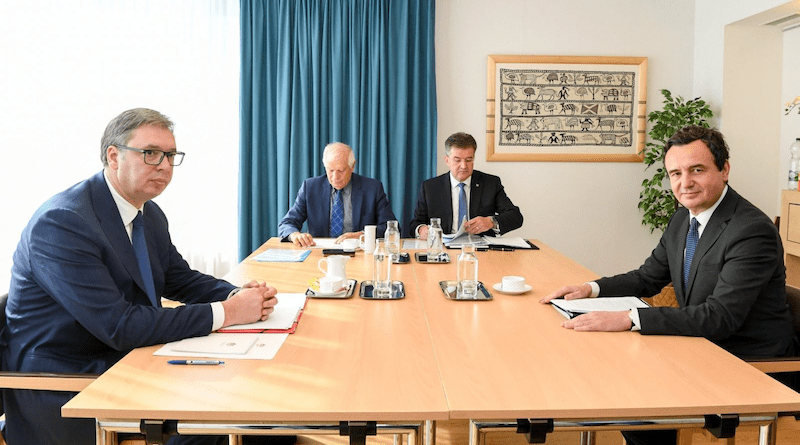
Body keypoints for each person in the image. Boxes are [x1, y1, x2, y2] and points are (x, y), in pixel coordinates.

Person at [2, 109, 279, 445]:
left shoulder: (146, 210)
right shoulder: (62, 223)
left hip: (129, 360)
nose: (163, 165)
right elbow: (119, 326)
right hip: (68, 381)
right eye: (151, 153)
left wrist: (235, 293)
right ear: (113, 155)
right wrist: (229, 313)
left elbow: (179, 278)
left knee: (260, 418)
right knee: (223, 427)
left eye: (170, 155)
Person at [541, 125, 795, 445]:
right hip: (702, 346)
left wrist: (629, 317)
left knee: (637, 399)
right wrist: (591, 289)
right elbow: (648, 277)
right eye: (675, 173)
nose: (684, 182)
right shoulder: (683, 218)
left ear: (725, 169)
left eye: (697, 170)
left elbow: (720, 317)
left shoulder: (750, 230)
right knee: (616, 374)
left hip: (748, 361)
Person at [278, 142, 397, 247]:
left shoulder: (372, 188)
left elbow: (390, 227)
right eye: (330, 170)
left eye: (341, 170)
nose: (335, 177)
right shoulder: (310, 187)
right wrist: (294, 235)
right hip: (320, 253)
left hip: (358, 252)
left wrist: (363, 236)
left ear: (352, 166)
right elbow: (287, 223)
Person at [408, 132, 523, 239]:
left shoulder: (490, 183)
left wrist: (491, 222)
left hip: (480, 249)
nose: (463, 166)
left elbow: (515, 217)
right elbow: (416, 223)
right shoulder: (431, 187)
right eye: (457, 160)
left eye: (468, 160)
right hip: (443, 248)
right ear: (447, 161)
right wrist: (422, 230)